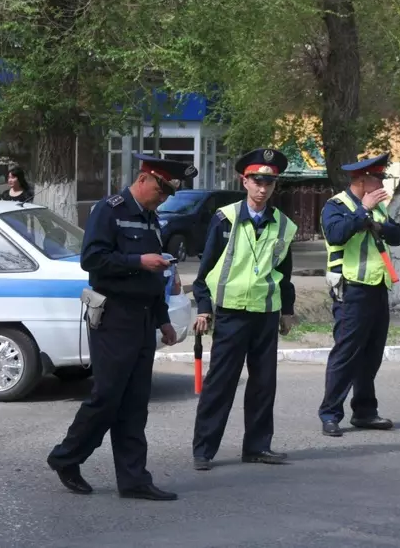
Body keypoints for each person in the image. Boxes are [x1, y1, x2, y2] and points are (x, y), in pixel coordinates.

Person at [47, 154, 195, 502]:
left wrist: (163, 319)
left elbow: (154, 277)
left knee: (135, 402)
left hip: (142, 318)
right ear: (144, 179)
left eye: (168, 194)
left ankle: (133, 479)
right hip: (113, 317)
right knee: (108, 396)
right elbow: (92, 260)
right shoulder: (109, 210)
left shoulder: (151, 219)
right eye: (161, 190)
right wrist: (137, 261)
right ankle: (66, 457)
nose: (163, 198)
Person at [190, 148, 298, 471]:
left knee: (264, 383)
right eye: (257, 181)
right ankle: (204, 450)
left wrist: (287, 310)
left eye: (269, 183)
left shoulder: (284, 226)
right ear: (245, 181)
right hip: (232, 312)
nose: (263, 189)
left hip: (266, 313)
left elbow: (285, 273)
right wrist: (204, 308)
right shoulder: (225, 218)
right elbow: (205, 270)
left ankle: (257, 446)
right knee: (221, 382)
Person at [317, 152, 400, 437]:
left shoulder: (379, 208)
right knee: (346, 354)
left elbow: (398, 235)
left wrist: (379, 224)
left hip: (378, 286)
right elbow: (336, 234)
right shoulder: (336, 206)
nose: (381, 183)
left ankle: (365, 412)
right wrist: (362, 211)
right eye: (377, 178)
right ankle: (330, 414)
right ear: (362, 180)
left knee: (371, 355)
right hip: (351, 288)